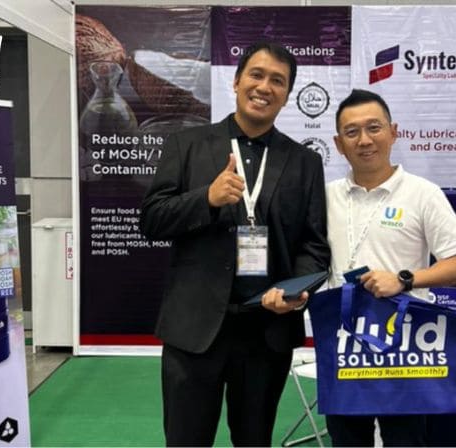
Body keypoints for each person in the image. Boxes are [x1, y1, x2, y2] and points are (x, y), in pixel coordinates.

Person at [140, 42, 330, 446]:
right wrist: (205, 198)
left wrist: (297, 290)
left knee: (254, 439)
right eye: (257, 75)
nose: (265, 86)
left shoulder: (304, 162)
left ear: (287, 93)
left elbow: (313, 245)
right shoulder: (187, 144)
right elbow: (152, 220)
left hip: (266, 331)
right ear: (238, 80)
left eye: (278, 81)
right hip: (195, 328)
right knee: (186, 439)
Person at [324, 89, 456, 446]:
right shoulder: (325, 194)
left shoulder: (422, 193)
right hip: (345, 339)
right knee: (347, 440)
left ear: (393, 132)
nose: (364, 140)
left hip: (405, 343)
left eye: (374, 128)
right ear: (338, 143)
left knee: (404, 440)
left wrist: (405, 280)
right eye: (352, 132)